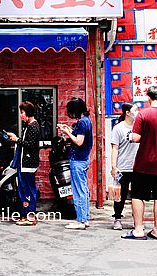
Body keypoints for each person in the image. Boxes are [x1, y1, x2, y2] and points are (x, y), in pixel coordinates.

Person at [121, 86, 157, 240]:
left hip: (145, 161)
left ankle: (139, 230)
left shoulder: (143, 115)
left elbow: (136, 138)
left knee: (138, 195)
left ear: (148, 97)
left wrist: (131, 135)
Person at [57, 97, 93, 230]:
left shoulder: (82, 122)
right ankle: (85, 217)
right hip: (82, 159)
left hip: (78, 160)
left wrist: (66, 132)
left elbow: (79, 141)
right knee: (83, 188)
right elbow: (79, 137)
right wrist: (68, 129)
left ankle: (81, 220)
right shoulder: (86, 121)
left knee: (78, 190)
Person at [8, 101, 41, 226]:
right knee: (24, 189)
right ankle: (25, 214)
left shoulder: (33, 126)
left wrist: (17, 140)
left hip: (28, 164)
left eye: (22, 112)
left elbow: (31, 145)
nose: (21, 115)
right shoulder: (30, 125)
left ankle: (30, 215)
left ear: (27, 113)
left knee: (27, 189)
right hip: (25, 163)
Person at [110, 102, 138, 231]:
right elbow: (115, 148)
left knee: (138, 196)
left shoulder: (139, 127)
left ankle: (137, 220)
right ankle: (117, 218)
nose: (137, 113)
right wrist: (114, 166)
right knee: (120, 195)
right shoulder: (118, 128)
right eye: (135, 110)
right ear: (128, 113)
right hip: (123, 167)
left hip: (138, 167)